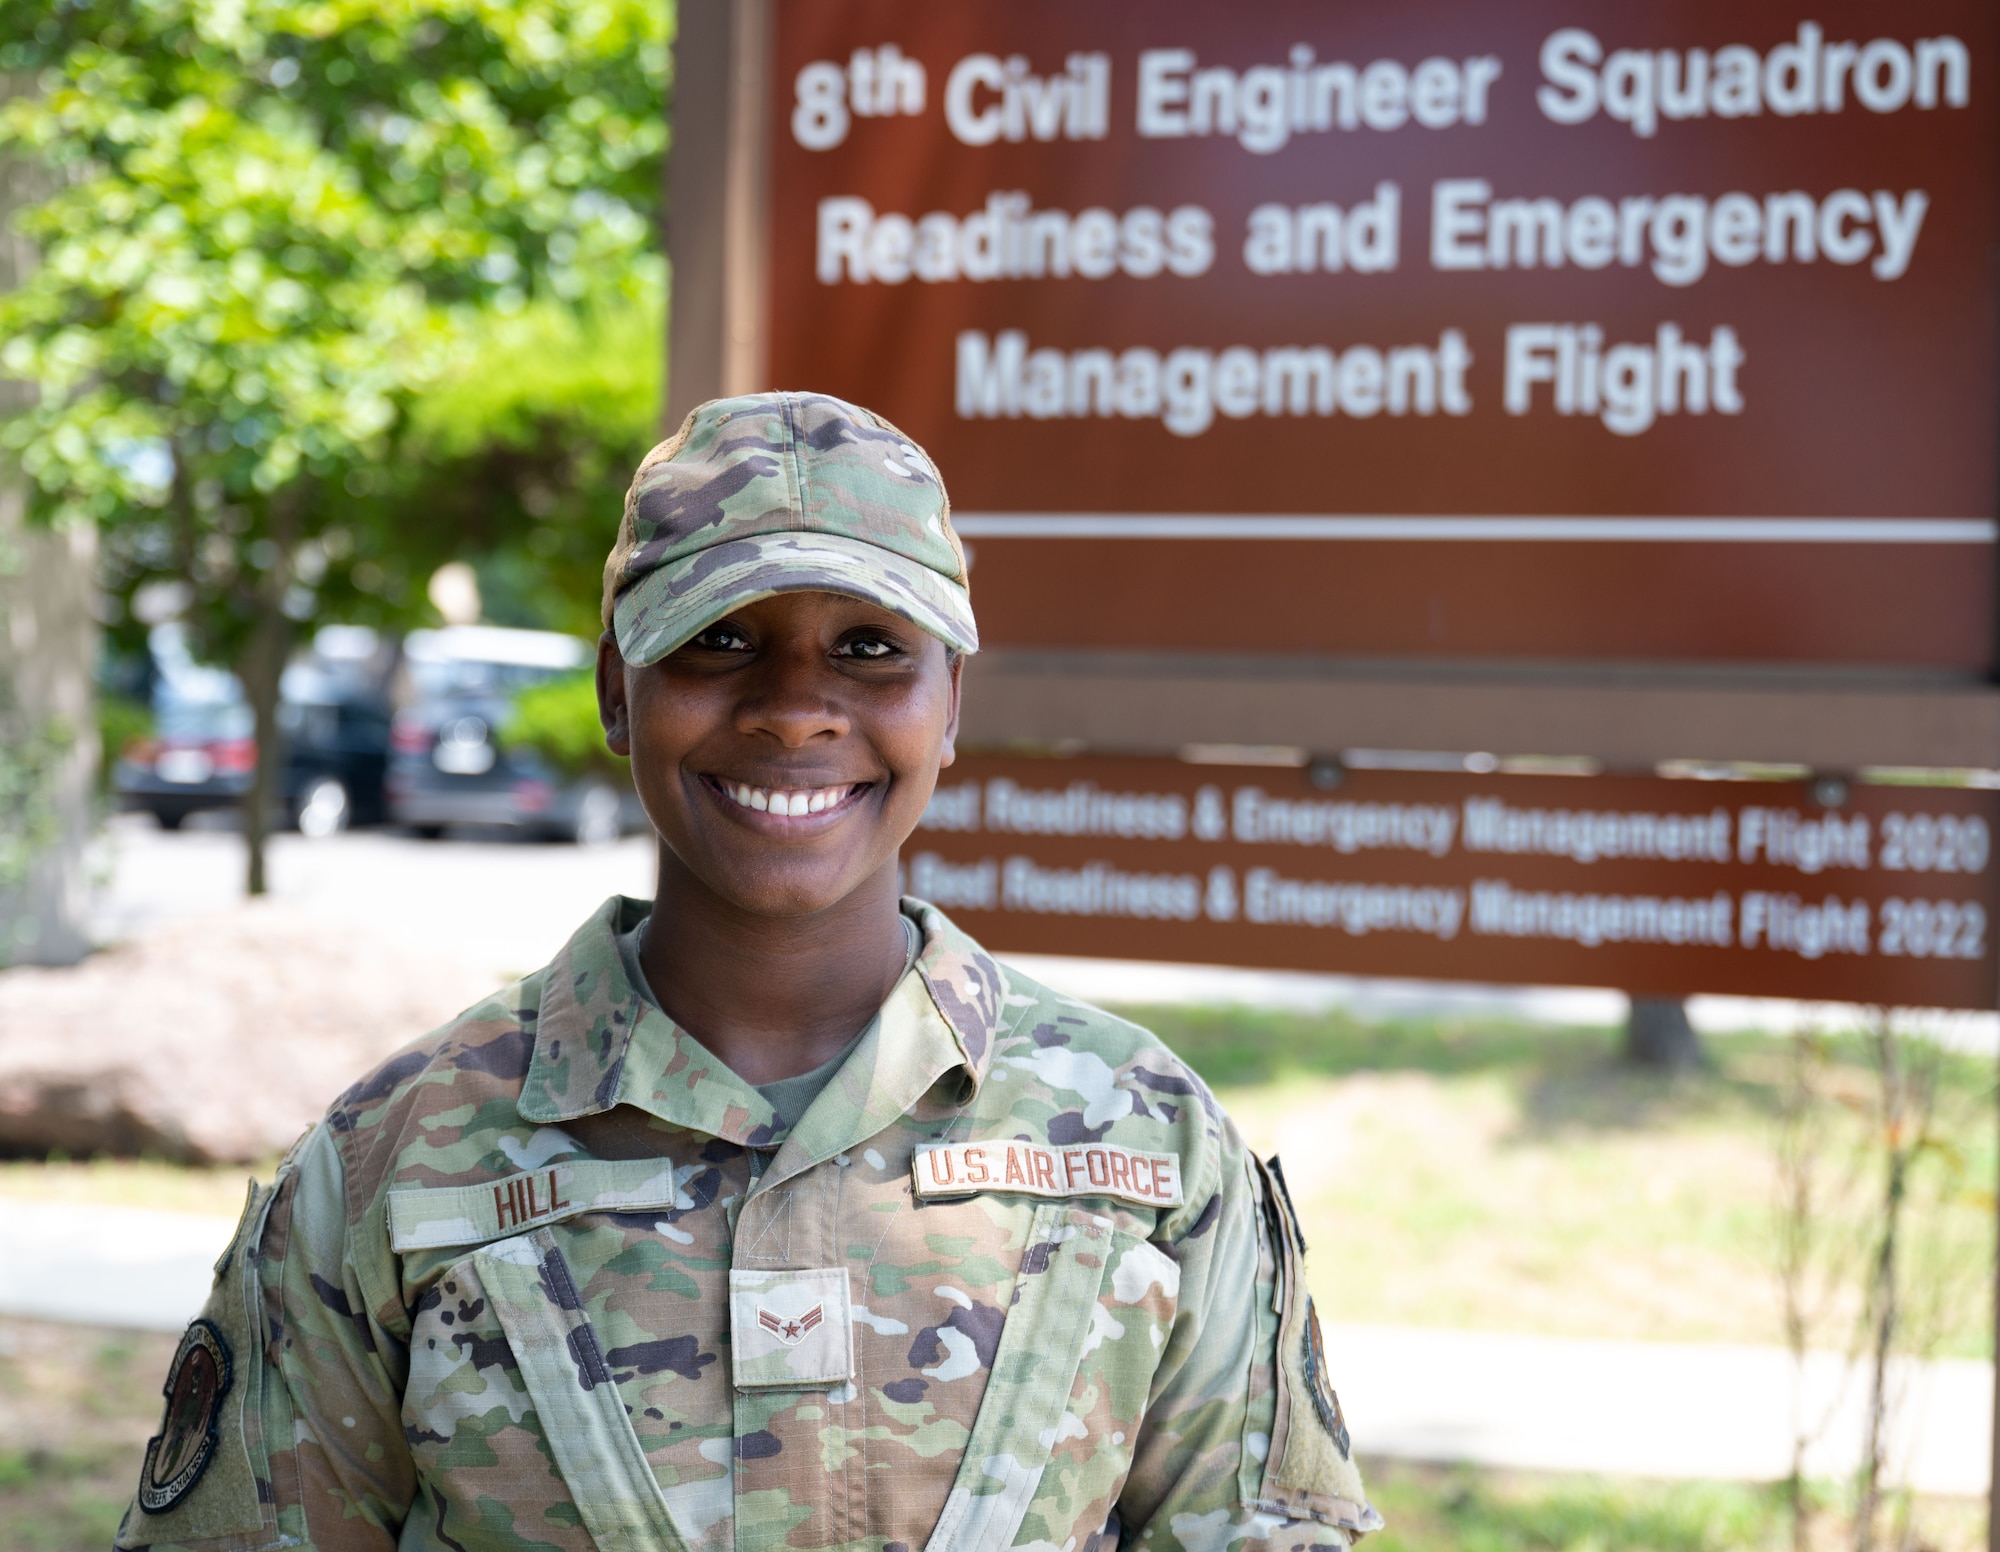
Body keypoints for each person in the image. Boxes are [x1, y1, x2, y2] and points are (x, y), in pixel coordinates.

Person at [117, 392, 1381, 1552]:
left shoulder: (1147, 1149)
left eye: (872, 648)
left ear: (950, 706)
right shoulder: (400, 1163)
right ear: (620, 689)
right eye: (719, 640)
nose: (794, 707)